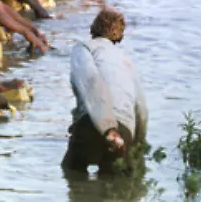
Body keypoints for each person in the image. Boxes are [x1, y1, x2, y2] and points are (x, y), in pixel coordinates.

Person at [63, 9, 148, 173]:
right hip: (125, 128)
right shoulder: (125, 61)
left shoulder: (84, 48)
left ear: (92, 28)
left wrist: (108, 128)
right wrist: (138, 146)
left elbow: (90, 82)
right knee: (117, 190)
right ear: (120, 36)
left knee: (72, 173)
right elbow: (142, 107)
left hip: (95, 123)